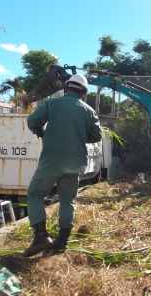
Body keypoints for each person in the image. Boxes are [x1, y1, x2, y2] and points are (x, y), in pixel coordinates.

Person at [23, 74, 102, 257]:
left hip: (51, 161)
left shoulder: (52, 104)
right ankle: (62, 241)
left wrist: (41, 132)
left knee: (35, 195)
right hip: (75, 164)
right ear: (83, 93)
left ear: (66, 88)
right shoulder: (89, 111)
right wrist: (80, 136)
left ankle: (41, 236)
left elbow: (32, 121)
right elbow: (96, 136)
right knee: (67, 200)